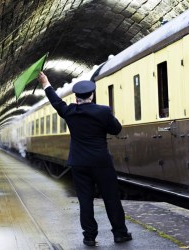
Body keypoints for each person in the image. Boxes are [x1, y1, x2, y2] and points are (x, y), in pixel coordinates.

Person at [37, 72, 132, 246]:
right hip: (101, 163)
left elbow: (56, 101)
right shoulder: (103, 111)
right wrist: (108, 117)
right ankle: (120, 233)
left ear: (76, 96)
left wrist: (46, 83)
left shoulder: (70, 112)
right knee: (111, 198)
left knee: (85, 200)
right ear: (92, 94)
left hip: (79, 163)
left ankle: (89, 236)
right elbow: (116, 129)